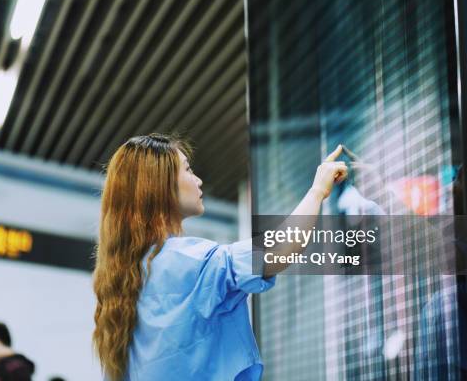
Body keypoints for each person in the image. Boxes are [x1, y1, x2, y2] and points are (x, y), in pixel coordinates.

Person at [92, 133, 347, 380]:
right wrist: (317, 191)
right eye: (188, 170)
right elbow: (277, 250)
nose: (199, 180)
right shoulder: (191, 262)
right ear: (160, 184)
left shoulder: (122, 283)